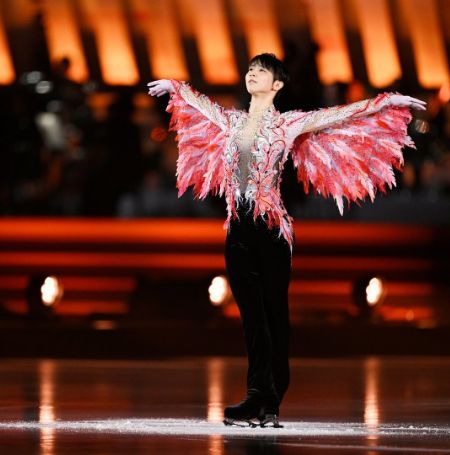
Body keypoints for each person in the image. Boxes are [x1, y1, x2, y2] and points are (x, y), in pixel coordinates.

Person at [147, 53, 426, 427]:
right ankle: (257, 396)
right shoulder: (231, 121)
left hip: (271, 230)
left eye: (260, 71)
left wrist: (385, 102)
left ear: (277, 85)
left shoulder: (288, 125)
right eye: (249, 70)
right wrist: (176, 87)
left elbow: (338, 115)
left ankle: (270, 396)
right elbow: (200, 104)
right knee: (251, 317)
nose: (252, 75)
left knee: (274, 314)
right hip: (238, 230)